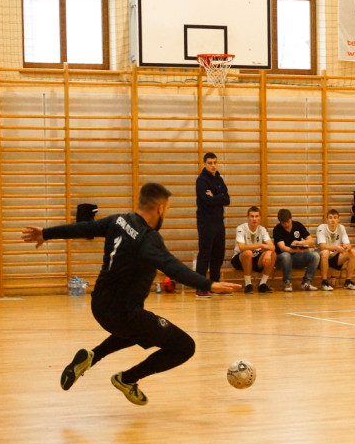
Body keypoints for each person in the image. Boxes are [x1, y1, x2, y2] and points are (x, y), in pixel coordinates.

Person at [21, 182, 241, 406]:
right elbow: (173, 267)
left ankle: (92, 356)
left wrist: (46, 234)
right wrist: (208, 284)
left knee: (140, 330)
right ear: (160, 208)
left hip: (100, 306)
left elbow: (85, 228)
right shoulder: (147, 238)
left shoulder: (118, 220)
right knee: (184, 346)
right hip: (126, 314)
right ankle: (127, 379)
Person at [195, 152, 230, 297]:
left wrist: (215, 196)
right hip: (205, 222)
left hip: (218, 221)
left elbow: (227, 200)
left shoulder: (219, 179)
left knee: (218, 254)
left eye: (215, 162)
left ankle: (215, 285)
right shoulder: (201, 180)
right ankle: (200, 287)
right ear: (204, 164)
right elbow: (206, 200)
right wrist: (219, 197)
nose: (213, 165)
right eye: (210, 163)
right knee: (205, 254)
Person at [272, 208, 320, 292]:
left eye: (288, 222)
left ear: (291, 218)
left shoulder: (298, 225)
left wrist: (300, 243)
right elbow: (283, 248)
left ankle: (306, 282)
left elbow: (311, 241)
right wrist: (297, 250)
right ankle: (287, 282)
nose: (286, 224)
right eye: (284, 223)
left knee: (315, 256)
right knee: (286, 255)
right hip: (281, 259)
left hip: (297, 257)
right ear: (280, 222)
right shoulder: (277, 229)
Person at [230, 205, 276, 293]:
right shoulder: (241, 228)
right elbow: (242, 247)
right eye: (252, 216)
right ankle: (248, 285)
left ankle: (262, 284)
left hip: (255, 259)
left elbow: (272, 246)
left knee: (273, 254)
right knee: (248, 253)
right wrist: (261, 245)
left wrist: (268, 253)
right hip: (240, 259)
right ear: (248, 217)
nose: (254, 219)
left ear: (260, 218)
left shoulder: (262, 229)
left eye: (256, 216)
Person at [316, 209, 355, 290]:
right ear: (326, 219)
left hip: (335, 257)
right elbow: (322, 246)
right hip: (321, 259)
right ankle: (324, 282)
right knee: (325, 252)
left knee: (353, 252)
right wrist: (337, 247)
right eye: (330, 218)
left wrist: (347, 247)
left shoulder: (341, 228)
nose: (333, 220)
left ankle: (348, 281)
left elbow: (348, 244)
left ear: (339, 219)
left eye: (335, 218)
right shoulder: (321, 228)